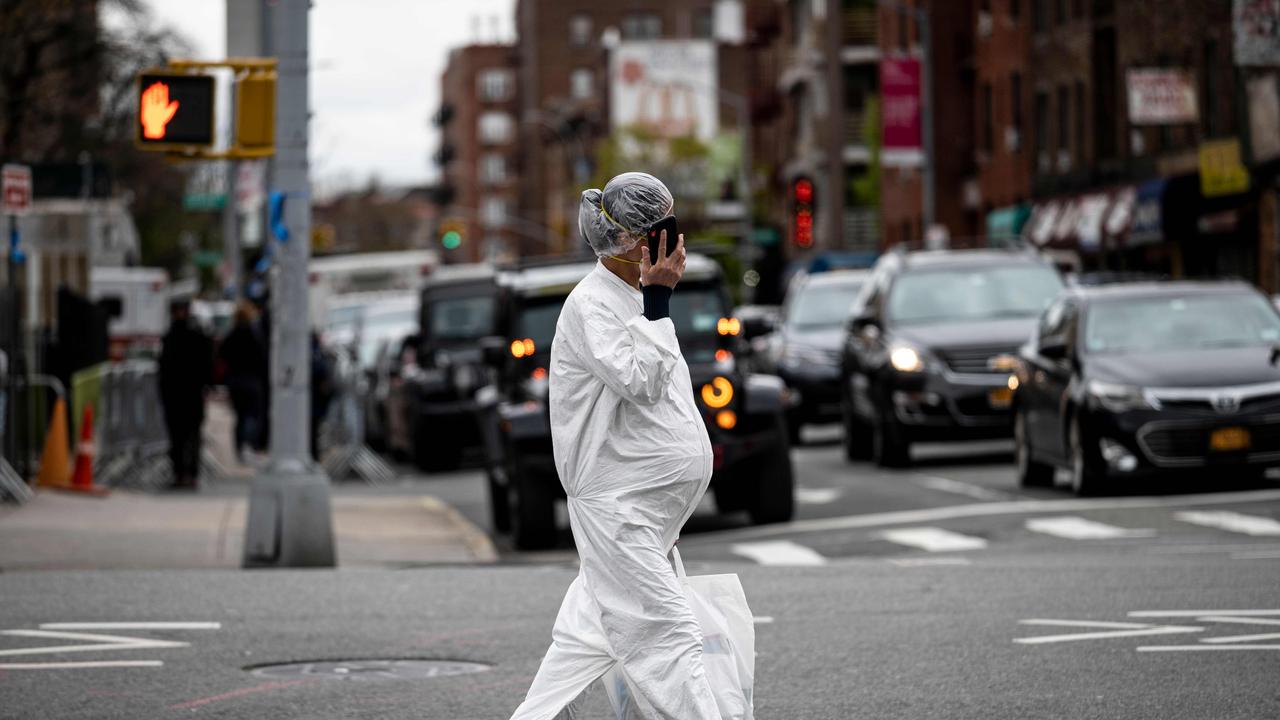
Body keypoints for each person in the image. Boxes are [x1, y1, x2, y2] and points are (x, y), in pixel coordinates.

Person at [509, 172, 721, 719]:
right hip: (619, 508)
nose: (676, 243)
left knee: (587, 638)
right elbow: (643, 381)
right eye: (662, 230)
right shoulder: (595, 305)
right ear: (634, 242)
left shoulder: (632, 297)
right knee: (666, 636)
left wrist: (653, 300)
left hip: (643, 508)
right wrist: (658, 302)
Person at [158, 299, 213, 490]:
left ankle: (188, 473)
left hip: (186, 394)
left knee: (188, 436)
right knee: (180, 437)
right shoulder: (176, 336)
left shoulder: (181, 336)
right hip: (181, 395)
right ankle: (182, 473)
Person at [218, 302, 268, 463]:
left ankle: (240, 448)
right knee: (252, 415)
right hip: (251, 380)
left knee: (239, 416)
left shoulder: (231, 335)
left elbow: (222, 354)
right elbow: (262, 356)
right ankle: (249, 444)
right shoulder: (254, 335)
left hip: (235, 380)